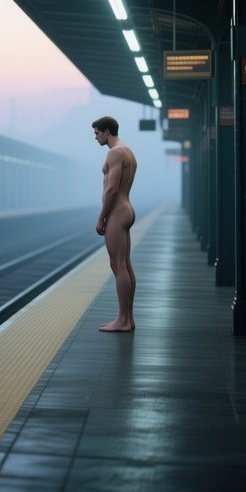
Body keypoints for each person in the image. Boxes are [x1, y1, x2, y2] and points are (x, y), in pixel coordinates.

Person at [92, 116, 138, 332]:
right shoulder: (128, 151)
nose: (96, 137)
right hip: (126, 208)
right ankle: (128, 319)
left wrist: (102, 216)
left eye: (97, 133)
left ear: (107, 132)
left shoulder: (115, 152)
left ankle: (122, 320)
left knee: (117, 265)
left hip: (117, 212)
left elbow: (112, 189)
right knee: (125, 264)